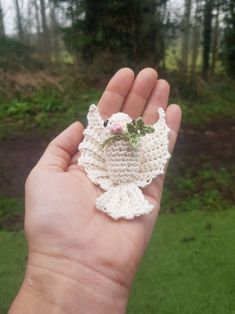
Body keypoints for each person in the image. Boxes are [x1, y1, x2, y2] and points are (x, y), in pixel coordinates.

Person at [9, 68, 181, 314]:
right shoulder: (101, 138)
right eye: (112, 124)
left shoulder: (138, 137)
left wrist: (159, 126)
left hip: (132, 182)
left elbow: (149, 140)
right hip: (109, 184)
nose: (117, 128)